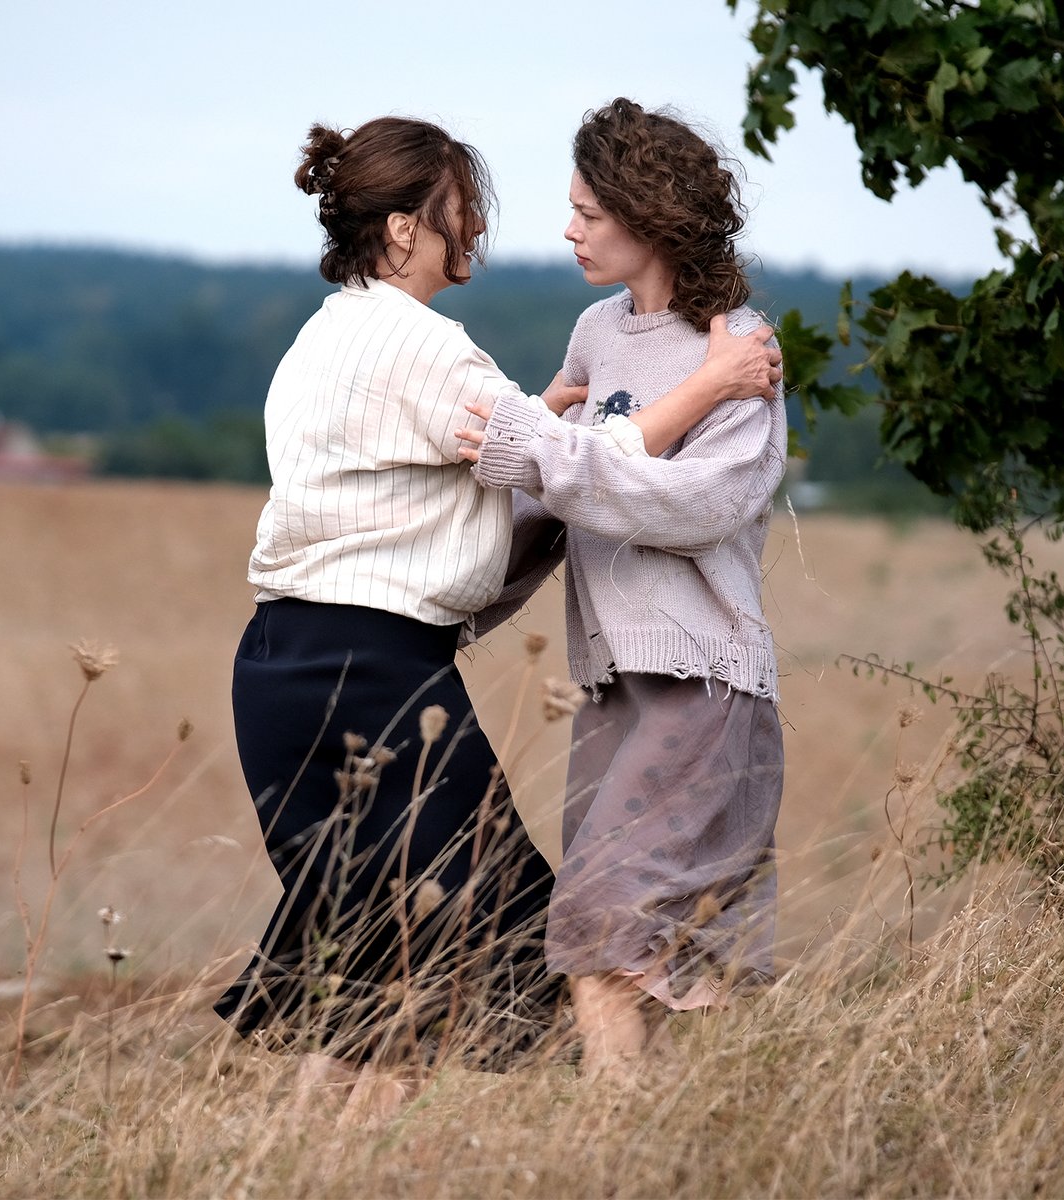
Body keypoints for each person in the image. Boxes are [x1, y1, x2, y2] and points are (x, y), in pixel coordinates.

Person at [214, 113, 781, 1115]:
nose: (479, 224)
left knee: (376, 952)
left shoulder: (322, 333)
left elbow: (539, 477)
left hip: (280, 666)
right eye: (459, 206)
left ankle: (308, 1162)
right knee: (485, 938)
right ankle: (627, 1144)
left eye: (584, 210)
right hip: (375, 669)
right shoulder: (432, 350)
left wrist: (553, 417)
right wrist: (699, 388)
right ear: (403, 229)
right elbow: (571, 474)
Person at [456, 98, 789, 1076]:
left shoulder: (740, 346)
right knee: (637, 937)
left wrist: (537, 446)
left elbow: (695, 505)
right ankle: (681, 1124)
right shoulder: (596, 332)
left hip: (704, 683)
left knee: (601, 921)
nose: (569, 230)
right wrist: (444, 610)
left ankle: (618, 1133)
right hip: (610, 687)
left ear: (650, 216)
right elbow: (556, 499)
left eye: (589, 213)